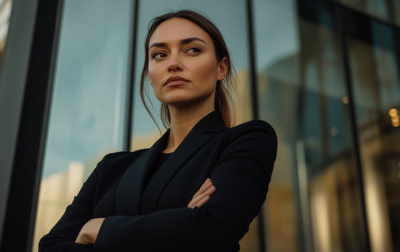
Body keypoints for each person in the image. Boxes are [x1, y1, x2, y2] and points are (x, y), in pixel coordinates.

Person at [39, 9, 277, 252]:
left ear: (221, 68)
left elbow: (212, 229)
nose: (173, 64)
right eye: (160, 55)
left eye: (192, 50)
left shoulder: (249, 140)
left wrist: (99, 230)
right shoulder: (110, 169)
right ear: (150, 76)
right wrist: (179, 224)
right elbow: (50, 247)